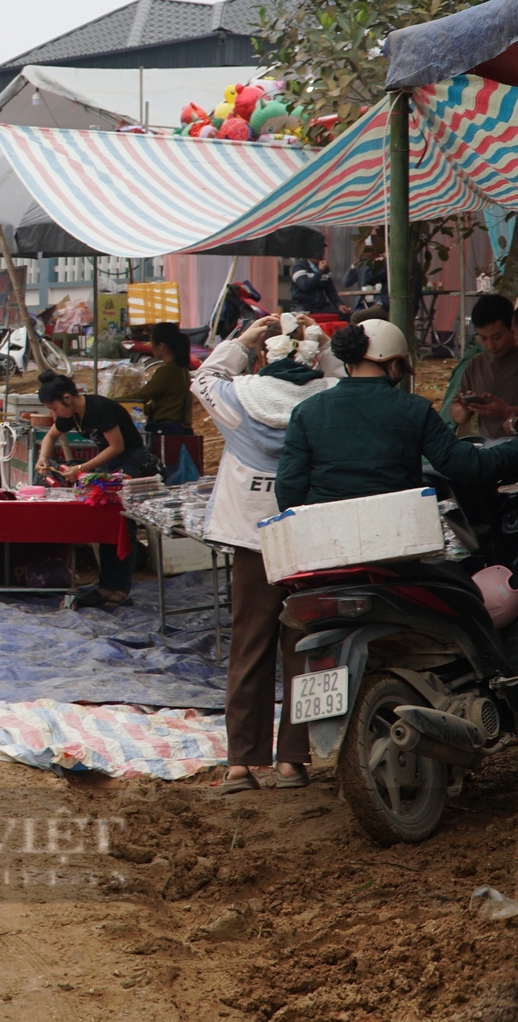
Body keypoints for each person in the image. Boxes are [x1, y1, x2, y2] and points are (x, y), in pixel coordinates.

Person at [192, 313, 339, 794]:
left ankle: (240, 763)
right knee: (304, 646)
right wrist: (324, 345)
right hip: (307, 537)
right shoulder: (326, 401)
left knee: (248, 644)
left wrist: (242, 339)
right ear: (312, 356)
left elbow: (206, 378)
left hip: (252, 539)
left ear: (264, 357)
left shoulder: (239, 399)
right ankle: (293, 761)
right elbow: (343, 379)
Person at [278, 318, 518, 510]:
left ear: (350, 364)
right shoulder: (415, 409)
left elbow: (289, 489)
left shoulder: (306, 412)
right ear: (394, 365)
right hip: (400, 536)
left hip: (327, 538)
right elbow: (468, 466)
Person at [34, 373, 161, 606]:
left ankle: (120, 590)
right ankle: (105, 587)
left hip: (133, 464)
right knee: (107, 524)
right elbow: (50, 437)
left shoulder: (100, 408)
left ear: (67, 398)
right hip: (113, 466)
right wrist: (43, 457)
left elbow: (117, 446)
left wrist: (81, 468)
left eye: (54, 407)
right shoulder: (72, 414)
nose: (55, 414)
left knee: (123, 526)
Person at [449, 293, 518, 437]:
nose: (490, 345)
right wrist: (465, 407)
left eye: (497, 337)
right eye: (483, 338)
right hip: (488, 449)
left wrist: (507, 410)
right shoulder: (476, 364)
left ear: (512, 328)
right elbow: (457, 417)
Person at [139, 326, 194, 435]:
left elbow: (141, 397)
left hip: (168, 432)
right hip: (182, 430)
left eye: (152, 343)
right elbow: (165, 403)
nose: (151, 347)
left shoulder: (167, 371)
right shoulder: (181, 368)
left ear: (161, 346)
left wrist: (113, 402)